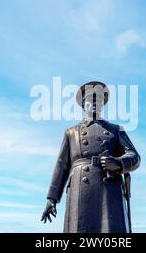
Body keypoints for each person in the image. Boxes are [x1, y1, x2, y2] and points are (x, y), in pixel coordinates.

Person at [41, 81, 140, 233]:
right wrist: (52, 199)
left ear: (103, 105)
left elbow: (134, 156)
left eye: (99, 100)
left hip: (109, 188)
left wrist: (119, 163)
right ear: (83, 104)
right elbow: (62, 166)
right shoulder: (71, 133)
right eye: (91, 100)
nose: (95, 103)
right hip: (80, 189)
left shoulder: (115, 130)